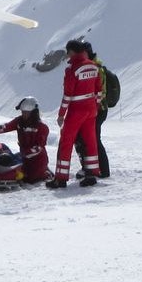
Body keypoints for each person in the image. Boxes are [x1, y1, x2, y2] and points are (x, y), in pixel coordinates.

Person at [47, 39, 102, 189]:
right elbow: (99, 90)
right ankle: (91, 173)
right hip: (91, 109)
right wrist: (95, 106)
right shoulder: (94, 66)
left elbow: (67, 95)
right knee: (90, 142)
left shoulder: (72, 70)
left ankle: (60, 178)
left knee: (66, 141)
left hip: (76, 110)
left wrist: (61, 114)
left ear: (72, 51)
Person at [0, 96, 51, 183]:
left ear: (33, 112)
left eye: (26, 112)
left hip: (37, 161)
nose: (23, 114)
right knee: (6, 160)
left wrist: (25, 153)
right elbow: (5, 127)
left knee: (31, 178)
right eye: (22, 112)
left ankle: (46, 173)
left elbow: (39, 148)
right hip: (24, 158)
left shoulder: (42, 127)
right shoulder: (19, 121)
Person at [75, 41, 111, 179]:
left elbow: (99, 91)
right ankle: (89, 167)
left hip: (97, 110)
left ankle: (101, 169)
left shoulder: (95, 68)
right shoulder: (88, 66)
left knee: (93, 138)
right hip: (92, 109)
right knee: (84, 138)